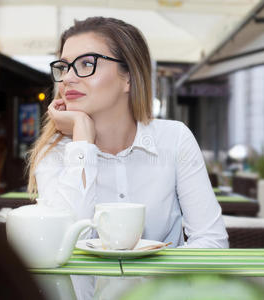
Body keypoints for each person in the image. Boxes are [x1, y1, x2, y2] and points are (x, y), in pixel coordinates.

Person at [27, 17, 228, 248]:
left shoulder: (174, 139)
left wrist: (163, 280)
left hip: (162, 284)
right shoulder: (55, 151)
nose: (68, 79)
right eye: (64, 67)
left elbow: (212, 241)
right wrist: (82, 140)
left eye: (86, 64)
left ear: (129, 78)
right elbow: (60, 246)